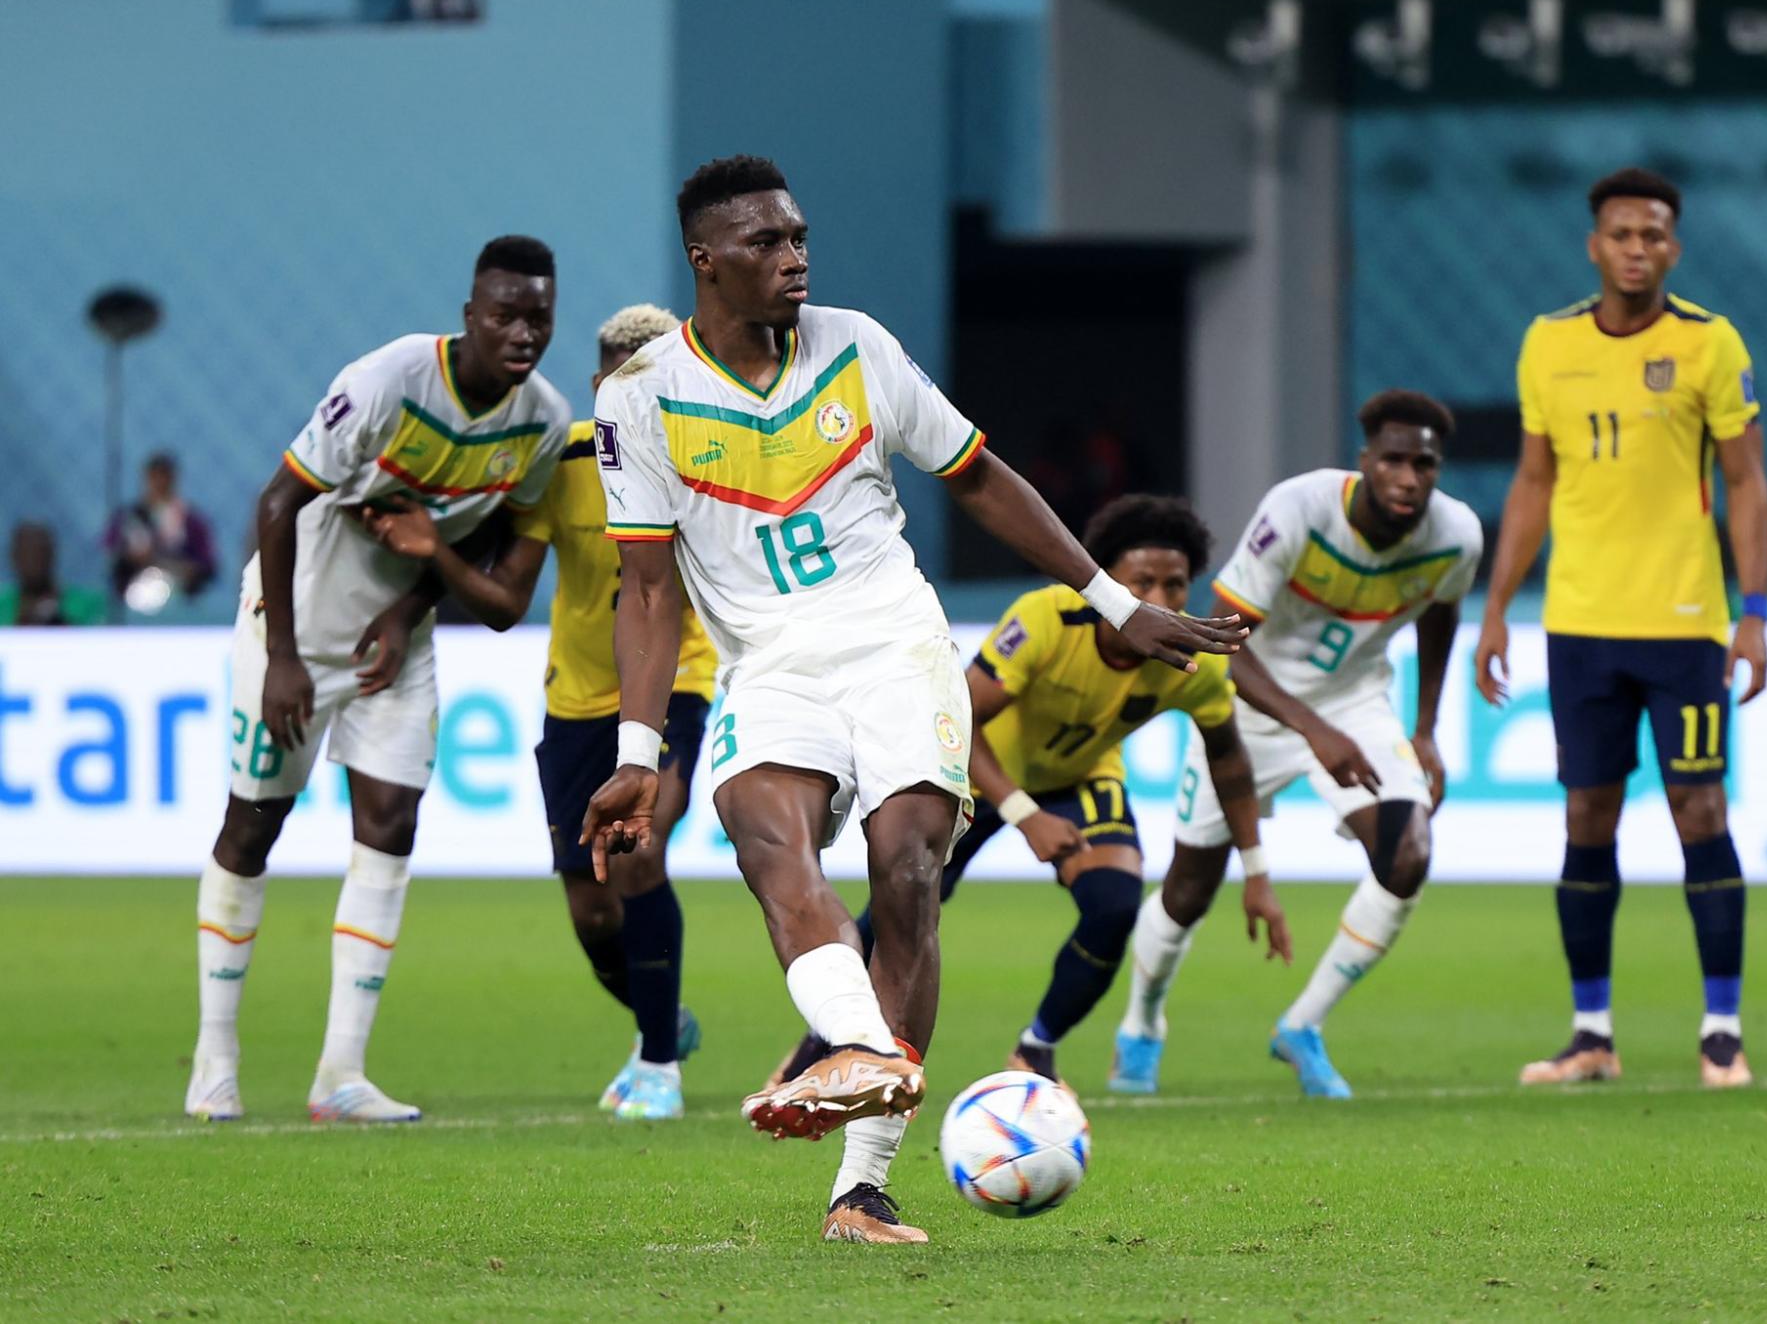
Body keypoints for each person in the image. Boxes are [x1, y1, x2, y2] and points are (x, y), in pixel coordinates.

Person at [582, 155, 1242, 1244]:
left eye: (799, 237)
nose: (794, 258)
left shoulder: (858, 347)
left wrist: (1115, 602)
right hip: (769, 663)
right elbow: (648, 588)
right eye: (764, 243)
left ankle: (861, 1188)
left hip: (896, 643)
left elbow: (977, 475)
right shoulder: (637, 396)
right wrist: (636, 754)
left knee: (906, 871)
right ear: (705, 260)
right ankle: (863, 1049)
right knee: (766, 845)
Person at [183, 236, 570, 1125]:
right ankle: (214, 1059)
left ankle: (341, 1074)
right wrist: (284, 656)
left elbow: (486, 541)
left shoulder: (542, 423)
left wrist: (407, 612)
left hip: (394, 642)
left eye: (539, 318)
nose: (523, 333)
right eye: (505, 315)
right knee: (253, 825)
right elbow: (277, 502)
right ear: (469, 316)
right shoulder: (391, 380)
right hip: (295, 627)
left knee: (391, 825)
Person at [772, 494, 1285, 1092]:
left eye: (1175, 585)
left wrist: (1256, 870)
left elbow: (1229, 760)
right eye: (1141, 582)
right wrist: (1024, 813)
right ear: (1106, 583)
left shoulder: (1189, 659)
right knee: (904, 902)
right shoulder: (1047, 618)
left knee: (1115, 906)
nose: (1161, 599)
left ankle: (1036, 1050)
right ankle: (821, 1043)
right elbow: (960, 717)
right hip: (972, 771)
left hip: (1079, 777)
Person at [363, 304, 715, 1121]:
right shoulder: (561, 463)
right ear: (598, 387)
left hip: (677, 684)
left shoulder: (713, 462)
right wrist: (433, 553)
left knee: (639, 853)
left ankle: (658, 1064)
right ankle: (660, 1020)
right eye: (627, 386)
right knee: (592, 912)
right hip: (576, 703)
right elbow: (505, 600)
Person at [1474, 167, 1767, 1089]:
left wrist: (1754, 614)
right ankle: (1591, 1034)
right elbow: (1534, 481)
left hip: (1685, 624)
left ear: (1673, 248)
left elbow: (1746, 482)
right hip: (1580, 625)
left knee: (1700, 810)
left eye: (1653, 235)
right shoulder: (1548, 343)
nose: (1637, 249)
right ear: (1594, 246)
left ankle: (1721, 1031)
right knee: (1586, 815)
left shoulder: (1710, 342)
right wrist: (1496, 608)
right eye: (1622, 234)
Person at [1111, 390, 1483, 1099]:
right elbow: (1224, 640)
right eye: (1395, 461)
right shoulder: (1299, 511)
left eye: (1425, 465)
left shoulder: (1456, 535)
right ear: (1365, 460)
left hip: (1354, 702)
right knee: (1189, 890)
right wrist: (1314, 731)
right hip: (1249, 705)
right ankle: (1142, 1025)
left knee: (1408, 853)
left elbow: (1442, 612)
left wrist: (1426, 728)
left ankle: (1303, 1026)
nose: (1409, 478)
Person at [103, 451, 219, 608]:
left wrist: (179, 567)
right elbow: (110, 553)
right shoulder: (128, 518)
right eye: (154, 478)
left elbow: (207, 564)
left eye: (165, 477)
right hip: (132, 597)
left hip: (181, 599)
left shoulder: (192, 521)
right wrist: (132, 556)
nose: (160, 484)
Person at [3, 522, 106, 625]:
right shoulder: (2, 605)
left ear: (52, 555)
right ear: (14, 557)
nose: (33, 561)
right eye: (26, 554)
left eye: (40, 553)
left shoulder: (89, 604)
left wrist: (59, 621)